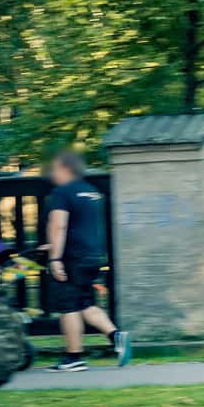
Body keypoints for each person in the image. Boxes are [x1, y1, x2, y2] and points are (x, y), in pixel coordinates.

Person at [43, 150, 131, 370]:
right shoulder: (92, 192)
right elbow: (82, 226)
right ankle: (116, 336)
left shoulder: (62, 193)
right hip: (92, 257)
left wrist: (55, 257)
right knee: (86, 304)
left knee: (68, 307)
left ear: (66, 169)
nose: (52, 174)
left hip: (71, 258)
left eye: (54, 169)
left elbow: (59, 225)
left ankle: (74, 358)